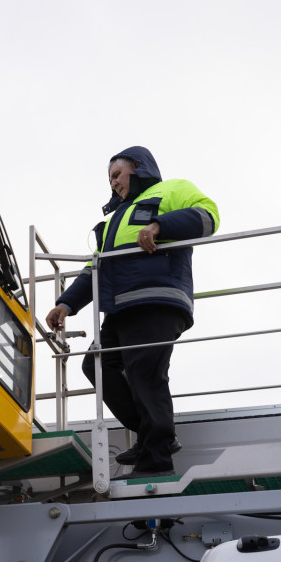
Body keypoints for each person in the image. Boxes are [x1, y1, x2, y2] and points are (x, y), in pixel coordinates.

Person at [45, 146, 219, 477]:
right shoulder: (114, 221)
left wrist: (159, 227)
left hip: (155, 300)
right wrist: (66, 303)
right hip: (120, 308)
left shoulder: (172, 189)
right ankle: (155, 437)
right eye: (109, 179)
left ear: (137, 169)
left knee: (145, 375)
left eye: (116, 175)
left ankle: (155, 462)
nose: (112, 183)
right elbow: (94, 267)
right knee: (96, 366)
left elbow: (209, 216)